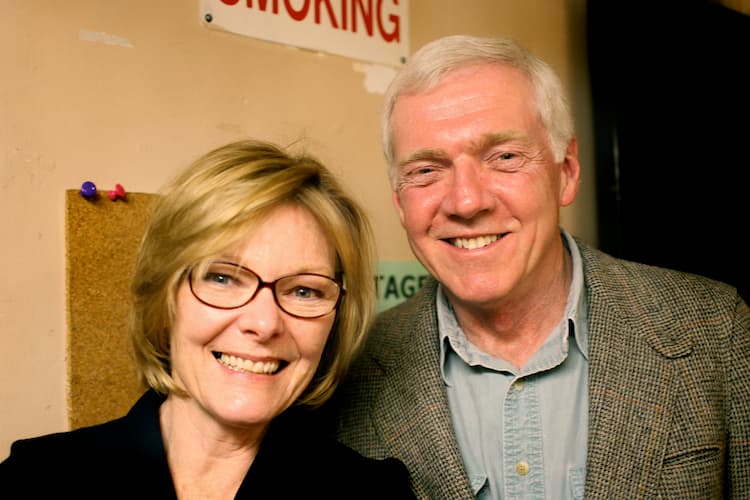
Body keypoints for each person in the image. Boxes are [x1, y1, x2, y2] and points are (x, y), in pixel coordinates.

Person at [330, 35, 750, 499]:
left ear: (566, 171)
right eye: (427, 170)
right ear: (400, 201)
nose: (466, 201)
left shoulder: (718, 330)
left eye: (504, 157)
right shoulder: (347, 373)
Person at [0, 139, 415, 499]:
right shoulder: (36, 479)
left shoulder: (373, 492)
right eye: (223, 278)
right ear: (166, 296)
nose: (265, 323)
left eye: (304, 290)